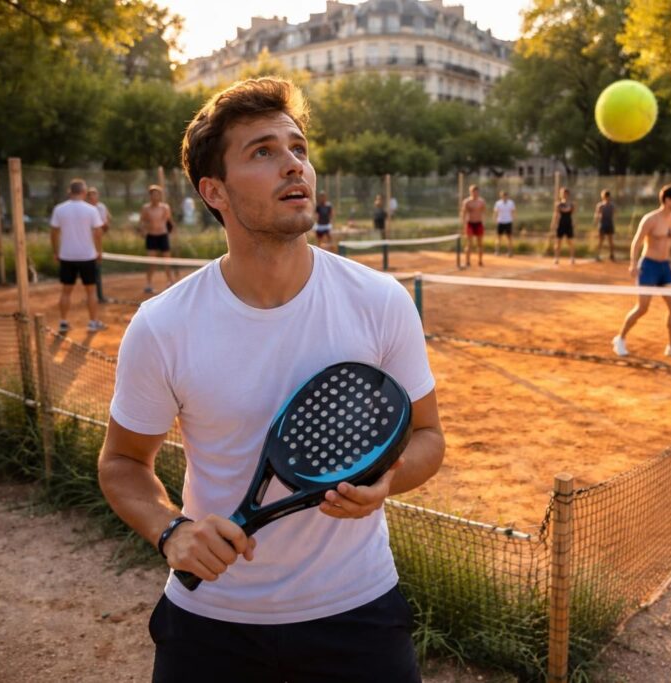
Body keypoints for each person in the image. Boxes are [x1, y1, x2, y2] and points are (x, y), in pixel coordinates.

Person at [98, 77, 444, 682]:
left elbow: (429, 437)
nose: (294, 165)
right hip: (209, 622)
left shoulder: (380, 301)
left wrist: (386, 480)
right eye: (263, 151)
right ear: (215, 191)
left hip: (358, 612)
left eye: (299, 148)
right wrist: (171, 532)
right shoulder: (162, 325)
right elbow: (123, 463)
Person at [612, 185, 671, 359]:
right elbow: (637, 242)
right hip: (648, 266)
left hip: (665, 267)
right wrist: (633, 264)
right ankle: (620, 338)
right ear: (667, 200)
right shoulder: (651, 219)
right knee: (642, 307)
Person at [50, 178, 106, 333]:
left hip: (66, 256)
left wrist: (56, 251)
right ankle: (93, 322)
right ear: (84, 192)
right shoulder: (91, 210)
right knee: (91, 291)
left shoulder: (59, 209)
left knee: (66, 291)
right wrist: (99, 251)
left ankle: (63, 322)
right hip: (87, 256)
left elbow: (54, 233)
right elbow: (98, 233)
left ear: (70, 191)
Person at [140, 185, 177, 293]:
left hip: (163, 236)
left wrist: (172, 232)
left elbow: (170, 222)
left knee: (167, 261)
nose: (155, 196)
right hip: (151, 237)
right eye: (153, 194)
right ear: (150, 196)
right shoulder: (146, 208)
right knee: (152, 262)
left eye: (157, 194)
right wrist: (142, 230)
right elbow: (142, 221)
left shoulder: (165, 207)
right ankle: (148, 284)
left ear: (160, 196)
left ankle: (170, 282)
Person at [86, 186, 112, 303]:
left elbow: (105, 225)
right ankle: (93, 295)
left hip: (96, 241)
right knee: (89, 269)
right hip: (86, 243)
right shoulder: (85, 208)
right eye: (90, 195)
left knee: (97, 266)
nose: (92, 197)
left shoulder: (101, 207)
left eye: (94, 194)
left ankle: (99, 295)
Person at [461, 184, 486, 267]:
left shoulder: (481, 202)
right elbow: (463, 213)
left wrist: (483, 223)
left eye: (476, 191)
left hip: (479, 223)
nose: (474, 193)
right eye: (472, 191)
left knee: (480, 244)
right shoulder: (466, 202)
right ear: (470, 192)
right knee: (469, 244)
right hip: (470, 224)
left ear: (478, 192)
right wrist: (464, 224)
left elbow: (483, 212)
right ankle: (467, 262)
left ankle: (480, 261)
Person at [551, 187, 575, 265]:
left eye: (565, 193)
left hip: (568, 224)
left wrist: (574, 223)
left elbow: (573, 214)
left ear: (568, 194)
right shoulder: (558, 204)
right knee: (558, 242)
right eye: (563, 193)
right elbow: (556, 214)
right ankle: (556, 258)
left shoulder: (571, 204)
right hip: (560, 224)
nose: (564, 195)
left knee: (570, 242)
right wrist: (553, 224)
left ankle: (572, 258)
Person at [593, 189, 616, 262]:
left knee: (610, 241)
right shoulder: (600, 205)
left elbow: (614, 214)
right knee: (600, 241)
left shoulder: (612, 205)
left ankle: (611, 255)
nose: (606, 197)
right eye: (605, 196)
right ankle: (597, 255)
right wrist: (596, 222)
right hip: (602, 224)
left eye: (607, 196)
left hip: (609, 223)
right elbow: (597, 214)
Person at [493, 190, 516, 257]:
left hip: (508, 222)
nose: (504, 197)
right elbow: (495, 212)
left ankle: (509, 252)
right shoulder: (498, 203)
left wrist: (513, 219)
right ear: (501, 196)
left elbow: (513, 211)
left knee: (509, 238)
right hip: (500, 222)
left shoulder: (511, 203)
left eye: (506, 195)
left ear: (507, 196)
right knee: (498, 238)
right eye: (503, 195)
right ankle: (497, 251)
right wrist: (495, 219)